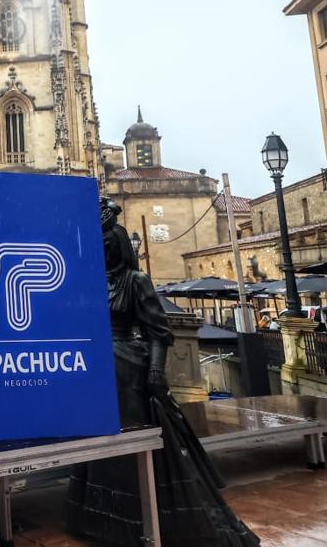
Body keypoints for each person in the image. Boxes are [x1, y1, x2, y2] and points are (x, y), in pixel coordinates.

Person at [66, 197, 259, 546]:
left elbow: (159, 331)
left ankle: (146, 520)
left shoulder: (136, 281)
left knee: (135, 443)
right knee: (103, 446)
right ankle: (103, 520)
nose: (104, 250)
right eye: (100, 244)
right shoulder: (91, 280)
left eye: (109, 244)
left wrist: (156, 369)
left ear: (121, 246)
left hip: (129, 371)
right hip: (98, 371)